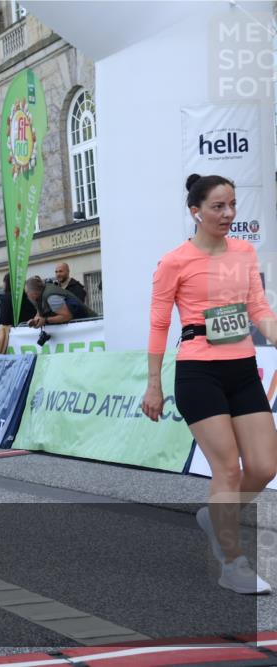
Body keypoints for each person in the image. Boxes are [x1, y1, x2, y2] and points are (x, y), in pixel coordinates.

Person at [141, 173, 277, 595]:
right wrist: (153, 385)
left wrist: (273, 332)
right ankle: (232, 562)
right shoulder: (174, 261)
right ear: (195, 212)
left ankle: (214, 516)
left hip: (242, 369)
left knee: (265, 466)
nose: (229, 213)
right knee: (228, 469)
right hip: (198, 371)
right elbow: (159, 323)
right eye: (219, 207)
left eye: (232, 204)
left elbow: (258, 307)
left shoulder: (244, 252)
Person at [25, 274, 97, 328]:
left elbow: (67, 316)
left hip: (91, 325)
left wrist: (45, 320)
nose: (27, 295)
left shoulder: (51, 298)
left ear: (34, 293)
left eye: (27, 292)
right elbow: (40, 312)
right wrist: (35, 321)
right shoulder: (39, 296)